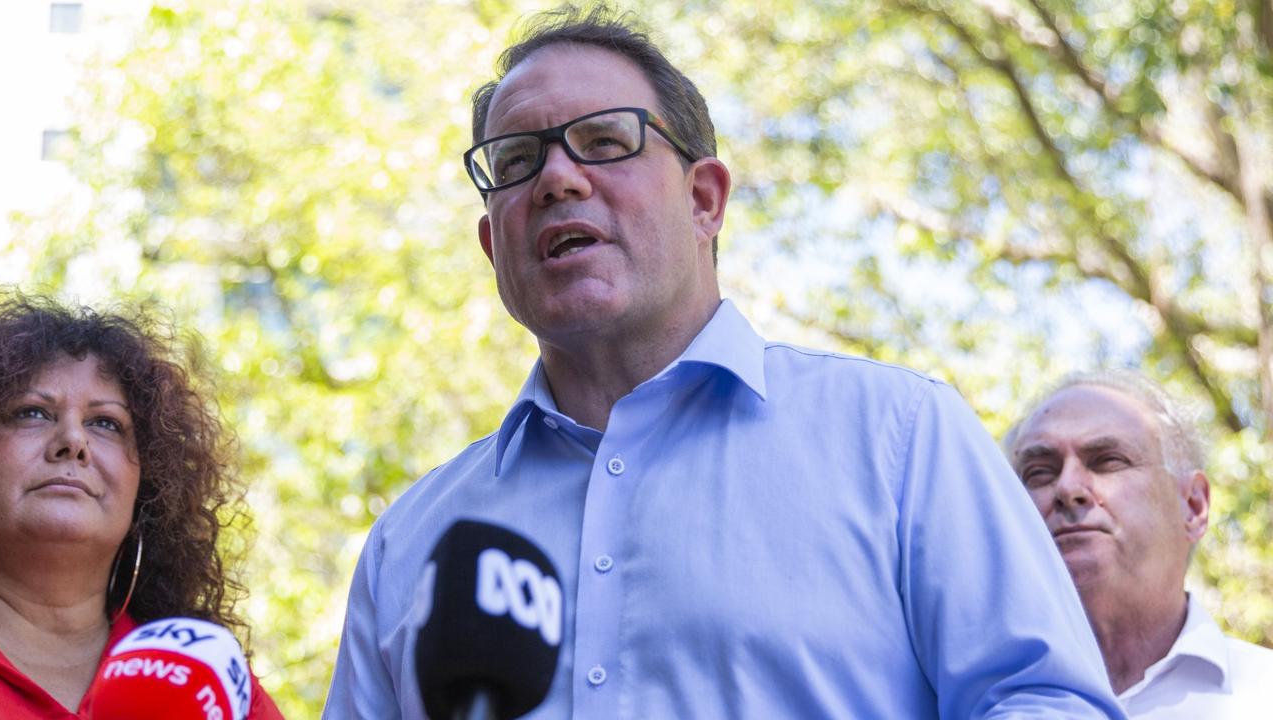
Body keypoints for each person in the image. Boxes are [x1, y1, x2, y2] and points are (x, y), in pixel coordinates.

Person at [326, 5, 1124, 718]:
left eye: (604, 142)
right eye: (516, 164)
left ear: (705, 200)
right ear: (492, 242)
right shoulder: (411, 544)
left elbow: (1049, 701)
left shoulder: (899, 437)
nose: (557, 179)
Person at [0, 292, 284, 718]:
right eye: (32, 413)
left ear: (149, 485)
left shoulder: (208, 679)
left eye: (105, 423)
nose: (74, 441)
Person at [1006, 369, 1273, 716]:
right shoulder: (957, 703)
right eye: (1040, 472)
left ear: (1192, 506)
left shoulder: (1261, 693)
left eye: (1108, 461)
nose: (1068, 488)